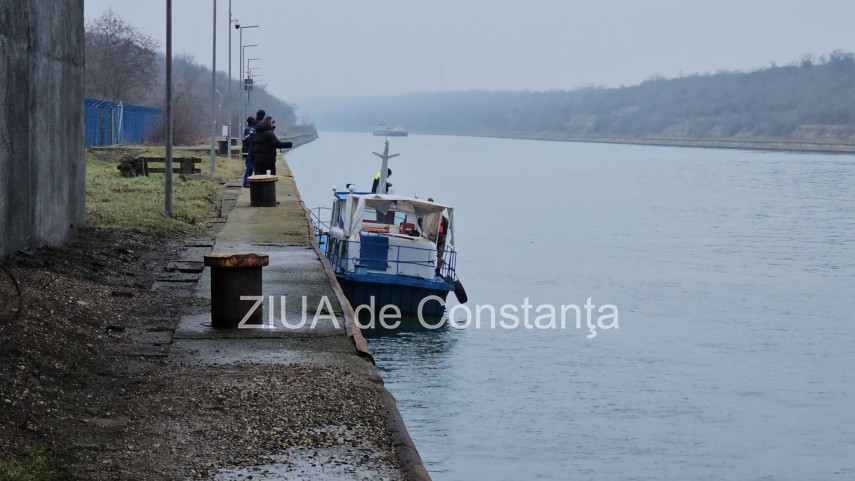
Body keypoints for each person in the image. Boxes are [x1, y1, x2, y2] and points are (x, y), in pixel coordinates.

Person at [241, 116, 257, 188]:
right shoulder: (248, 129)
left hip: (249, 151)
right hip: (247, 151)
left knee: (251, 167)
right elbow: (248, 139)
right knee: (249, 167)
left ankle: (248, 182)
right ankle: (246, 182)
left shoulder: (251, 129)